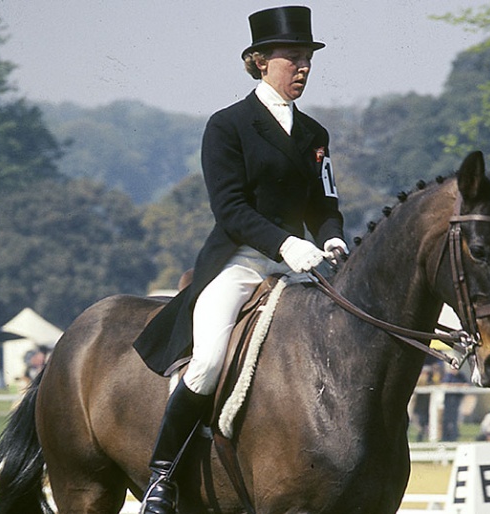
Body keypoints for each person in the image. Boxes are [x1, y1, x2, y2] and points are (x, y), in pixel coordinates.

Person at [134, 6, 347, 513]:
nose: (303, 68)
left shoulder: (315, 134)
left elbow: (326, 205)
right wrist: (284, 245)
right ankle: (161, 476)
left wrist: (333, 238)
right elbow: (229, 209)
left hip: (301, 262)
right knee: (207, 361)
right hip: (241, 260)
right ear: (258, 61)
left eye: (307, 59)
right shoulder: (228, 125)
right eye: (292, 58)